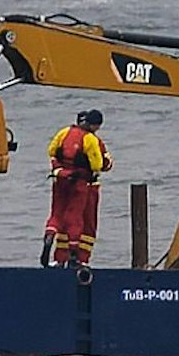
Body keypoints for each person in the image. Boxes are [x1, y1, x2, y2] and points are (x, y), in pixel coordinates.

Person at [42, 109, 112, 268]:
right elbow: (100, 164)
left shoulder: (64, 133)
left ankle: (54, 245)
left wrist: (59, 169)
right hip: (84, 185)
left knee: (57, 215)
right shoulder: (92, 140)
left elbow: (52, 152)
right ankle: (78, 257)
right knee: (80, 221)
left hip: (60, 179)